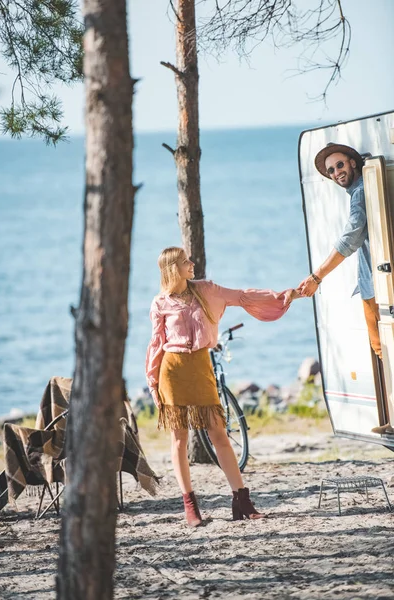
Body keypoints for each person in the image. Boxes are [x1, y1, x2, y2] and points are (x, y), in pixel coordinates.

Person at [145, 246, 301, 526]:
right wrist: (153, 382)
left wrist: (281, 296)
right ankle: (190, 506)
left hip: (201, 367)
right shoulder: (160, 303)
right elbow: (156, 345)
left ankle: (241, 499)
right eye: (185, 262)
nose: (191, 264)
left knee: (218, 432)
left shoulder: (206, 289)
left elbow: (242, 296)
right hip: (172, 372)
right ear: (173, 269)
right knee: (178, 439)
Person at [298, 142, 393, 435]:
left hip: (376, 286)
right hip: (371, 284)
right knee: (384, 350)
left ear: (353, 162)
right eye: (331, 170)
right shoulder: (362, 190)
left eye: (340, 165)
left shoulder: (362, 192)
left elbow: (350, 239)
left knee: (384, 350)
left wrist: (316, 276)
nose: (336, 172)